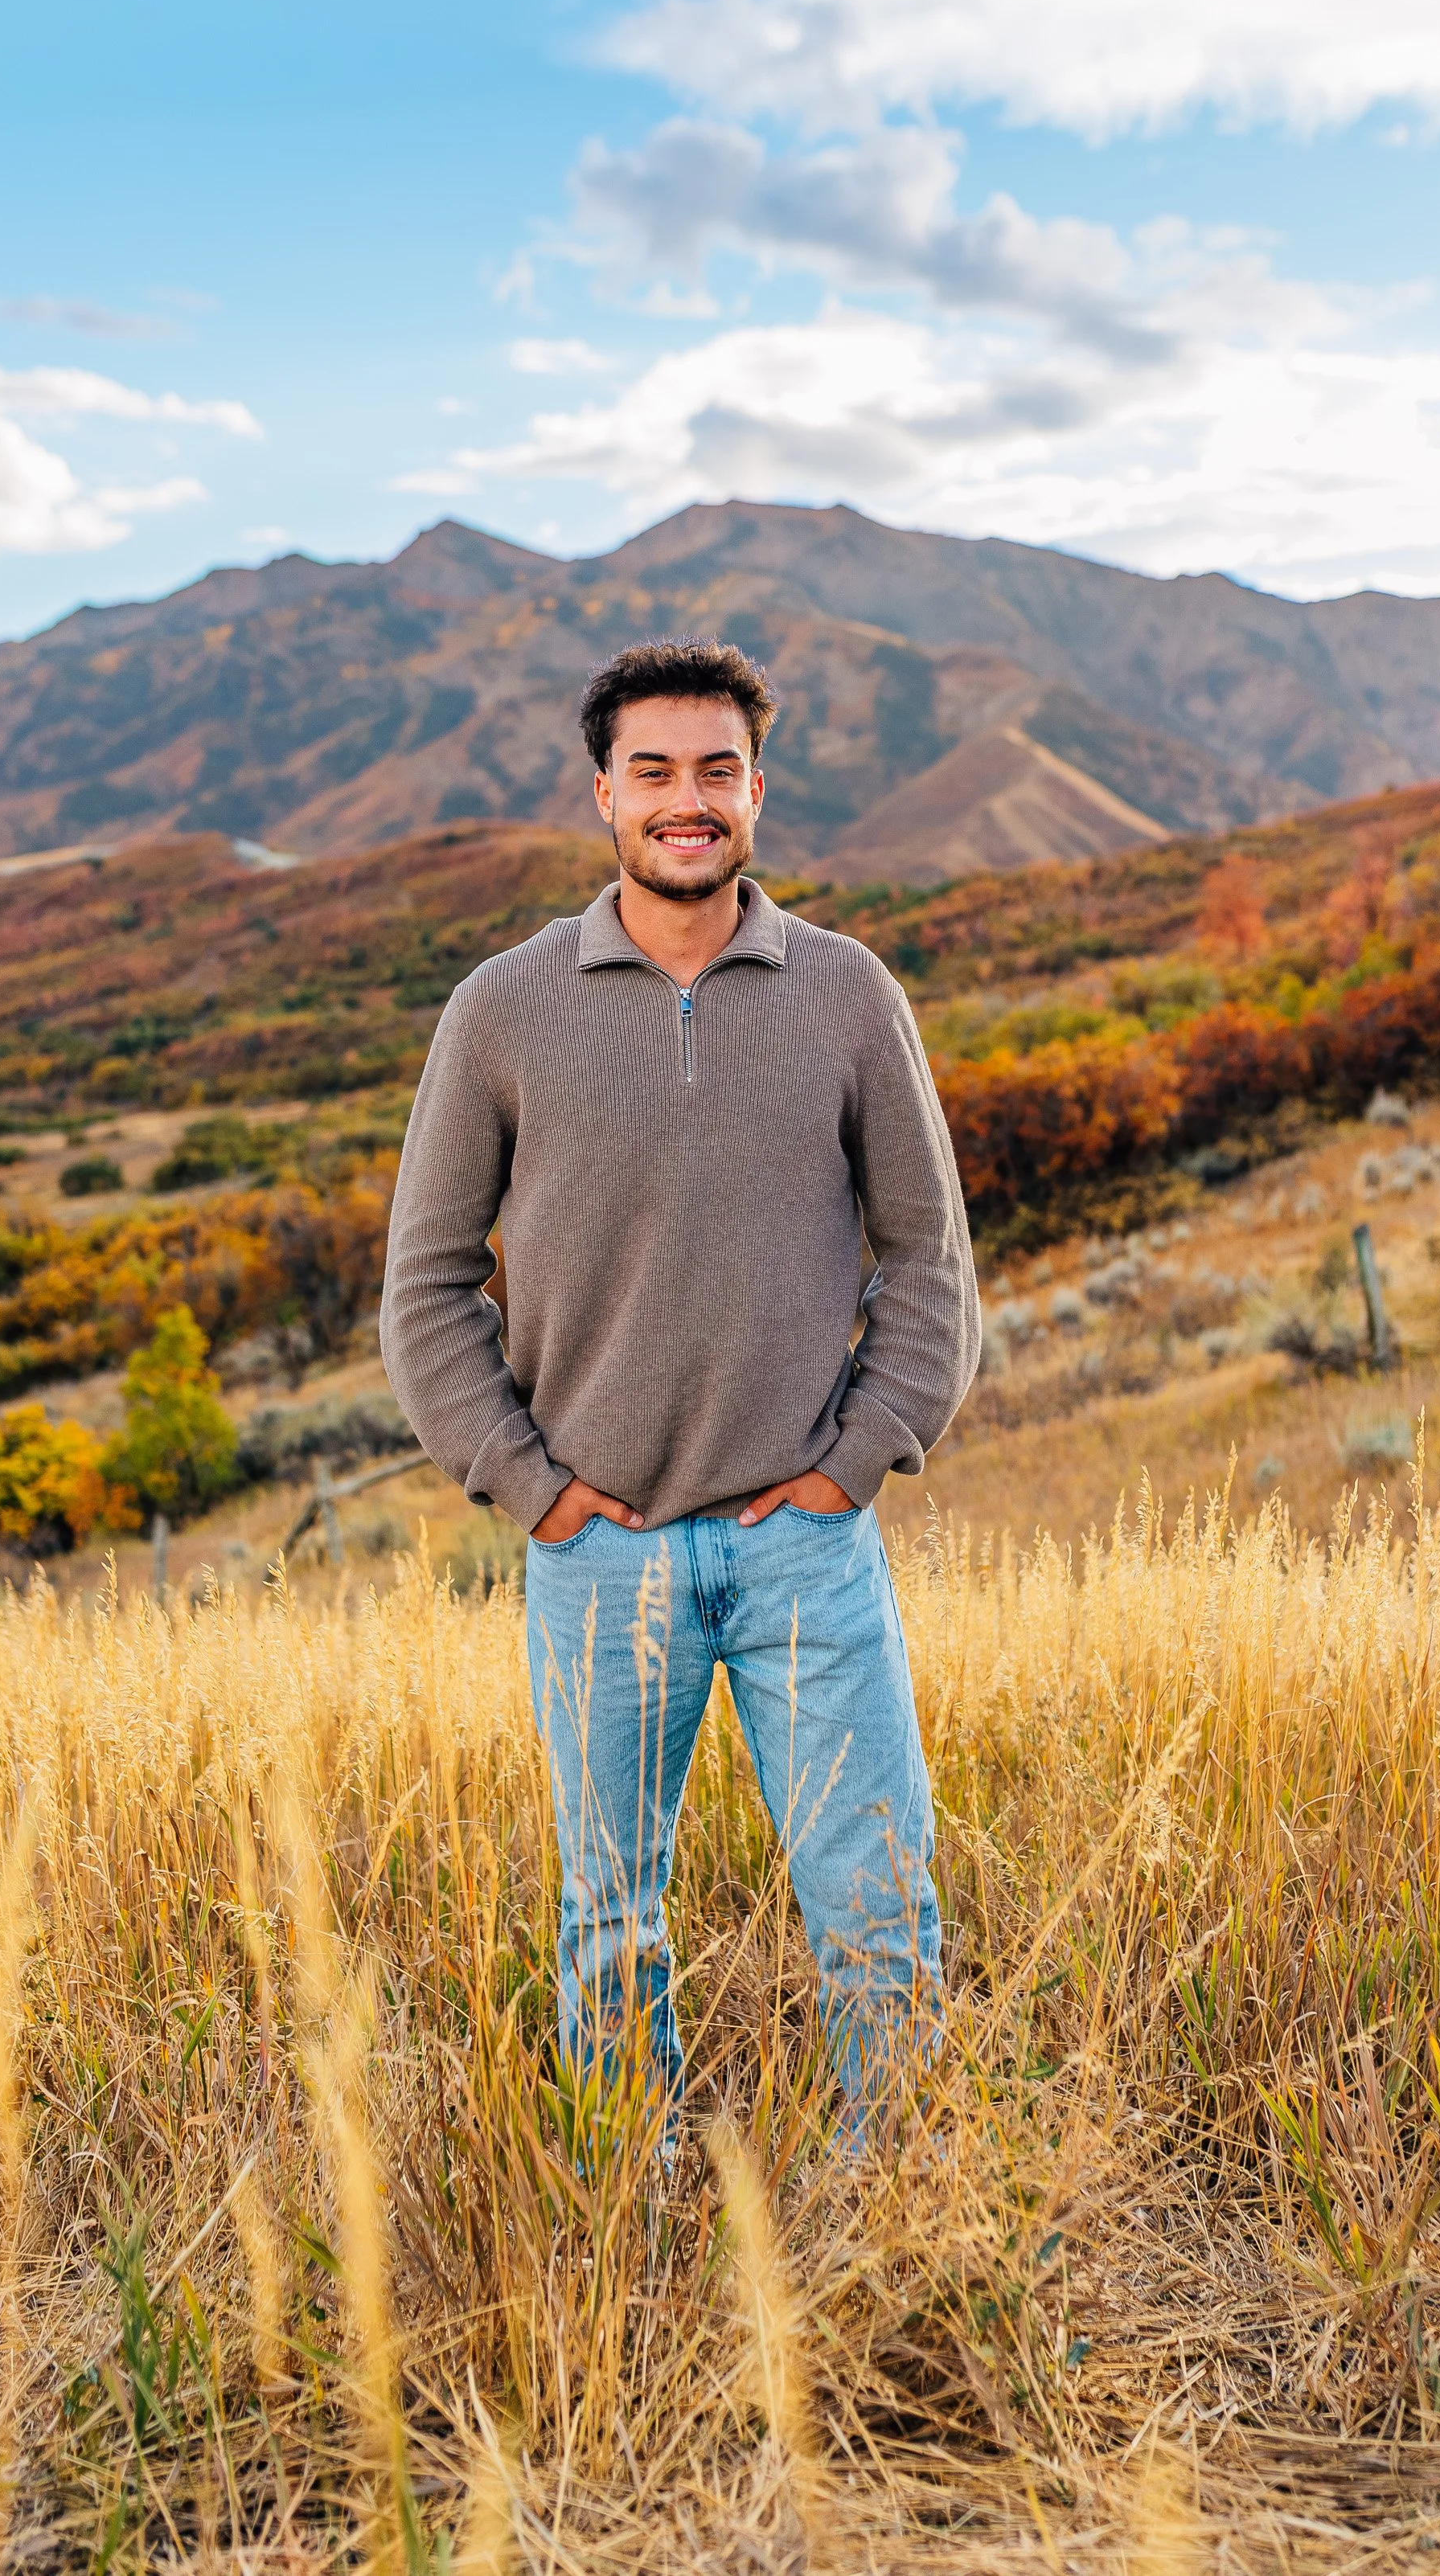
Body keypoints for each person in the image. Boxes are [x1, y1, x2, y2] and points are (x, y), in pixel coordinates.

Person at [380, 638, 979, 2136]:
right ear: (604, 796)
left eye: (717, 771)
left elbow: (931, 1263)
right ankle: (622, 2237)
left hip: (807, 1547)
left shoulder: (848, 995)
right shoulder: (505, 1010)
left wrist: (855, 1463)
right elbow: (426, 1286)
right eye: (653, 772)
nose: (686, 801)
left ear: (757, 792)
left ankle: (897, 2230)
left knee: (879, 1915)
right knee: (609, 1928)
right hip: (603, 1558)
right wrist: (536, 1493)